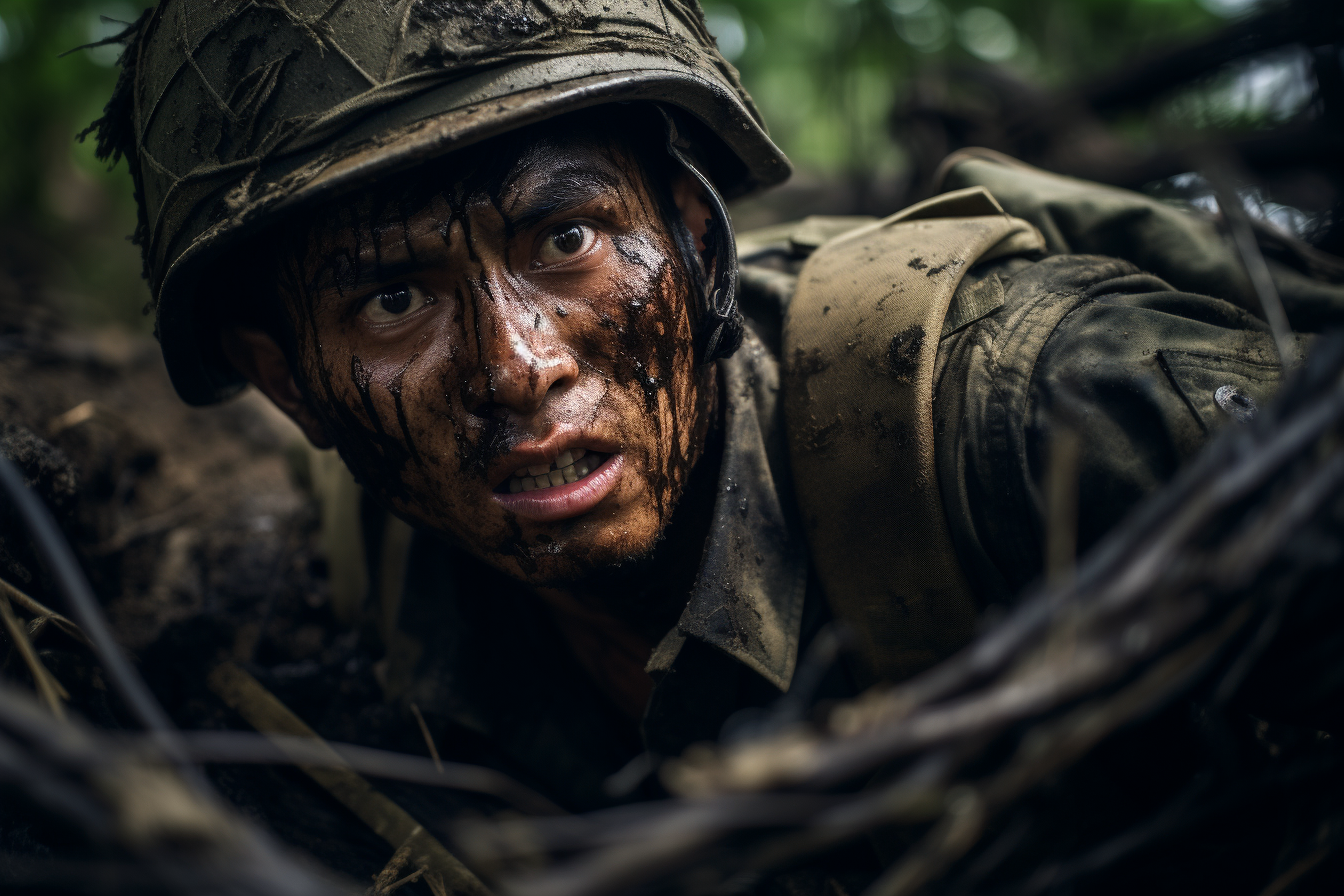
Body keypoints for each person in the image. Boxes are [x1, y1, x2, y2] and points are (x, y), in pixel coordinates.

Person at [84, 0, 1343, 891]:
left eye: (566, 239)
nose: (519, 366)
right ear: (288, 383)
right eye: (393, 300)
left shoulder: (1038, 409)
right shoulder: (381, 569)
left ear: (695, 240)